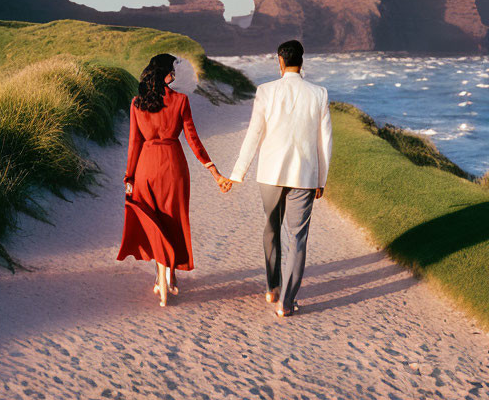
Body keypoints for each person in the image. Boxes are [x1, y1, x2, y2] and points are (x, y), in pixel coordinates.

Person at [116, 53, 232, 306]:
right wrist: (213, 171)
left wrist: (129, 176)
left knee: (153, 220)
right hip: (173, 166)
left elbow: (134, 143)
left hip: (146, 166)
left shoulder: (137, 103)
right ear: (165, 74)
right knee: (173, 221)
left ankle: (161, 277)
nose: (175, 74)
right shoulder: (180, 100)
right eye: (172, 70)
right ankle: (170, 275)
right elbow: (193, 140)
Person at [228, 40, 332, 318]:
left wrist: (238, 173)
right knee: (297, 238)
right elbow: (325, 142)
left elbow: (254, 133)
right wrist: (321, 179)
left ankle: (272, 286)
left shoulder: (265, 91)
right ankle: (285, 302)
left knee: (271, 229)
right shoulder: (319, 93)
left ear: (280, 61)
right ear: (303, 61)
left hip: (270, 174)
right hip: (304, 175)